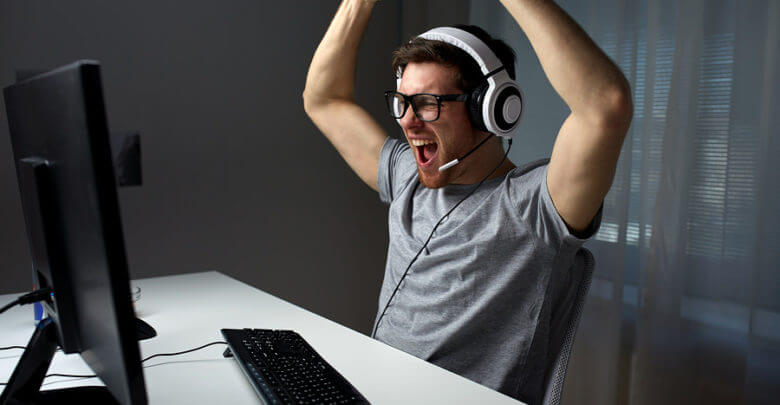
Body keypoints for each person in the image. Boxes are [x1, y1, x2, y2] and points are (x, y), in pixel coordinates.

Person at [303, 0, 632, 403]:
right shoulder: (408, 176)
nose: (407, 120)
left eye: (428, 103)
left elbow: (605, 106)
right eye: (403, 102)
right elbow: (323, 99)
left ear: (492, 110)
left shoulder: (536, 206)